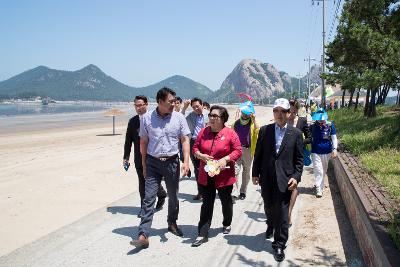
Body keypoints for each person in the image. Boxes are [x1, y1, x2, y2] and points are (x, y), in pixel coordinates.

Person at [130, 87, 191, 249]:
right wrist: (143, 164)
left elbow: (185, 139)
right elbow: (143, 142)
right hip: (152, 163)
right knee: (149, 198)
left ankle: (172, 222)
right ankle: (143, 234)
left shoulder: (179, 118)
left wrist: (186, 161)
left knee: (173, 196)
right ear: (160, 102)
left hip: (172, 162)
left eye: (174, 101)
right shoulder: (146, 118)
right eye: (170, 101)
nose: (173, 103)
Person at [252, 98, 304, 262]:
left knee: (282, 213)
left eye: (283, 111)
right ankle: (270, 224)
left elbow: (299, 160)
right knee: (269, 206)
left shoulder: (295, 134)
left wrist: (296, 177)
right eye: (276, 111)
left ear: (289, 113)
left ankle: (279, 244)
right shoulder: (265, 131)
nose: (279, 114)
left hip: (286, 179)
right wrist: (255, 173)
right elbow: (258, 154)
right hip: (266, 178)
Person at [191, 105, 242, 247]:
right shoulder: (203, 132)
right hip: (206, 174)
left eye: (215, 116)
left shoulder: (230, 133)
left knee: (226, 201)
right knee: (207, 203)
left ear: (222, 119)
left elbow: (238, 151)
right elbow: (195, 148)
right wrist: (200, 155)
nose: (212, 118)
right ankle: (202, 233)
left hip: (224, 175)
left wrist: (225, 159)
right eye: (210, 115)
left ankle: (227, 223)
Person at [123, 95, 167, 217]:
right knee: (142, 182)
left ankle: (161, 193)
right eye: (136, 105)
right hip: (139, 157)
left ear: (146, 104)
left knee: (152, 181)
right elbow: (128, 141)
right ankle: (144, 208)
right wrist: (126, 157)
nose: (138, 108)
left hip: (153, 157)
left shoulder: (154, 118)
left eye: (141, 105)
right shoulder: (132, 121)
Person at [287, 99, 311, 226]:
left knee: (294, 185)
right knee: (285, 185)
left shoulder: (302, 121)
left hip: (297, 158)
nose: (290, 113)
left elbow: (309, 138)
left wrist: (301, 142)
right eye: (288, 110)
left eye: (292, 110)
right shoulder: (283, 120)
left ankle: (289, 213)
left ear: (296, 110)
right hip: (284, 158)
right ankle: (285, 209)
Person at [232, 101, 259, 201]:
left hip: (248, 150)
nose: (244, 114)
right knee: (235, 170)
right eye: (243, 112)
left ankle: (243, 191)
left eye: (247, 112)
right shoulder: (236, 123)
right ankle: (234, 192)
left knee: (246, 172)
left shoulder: (252, 123)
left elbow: (258, 131)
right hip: (237, 150)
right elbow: (231, 134)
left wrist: (254, 119)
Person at [310, 108, 338, 197]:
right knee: (319, 170)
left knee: (324, 170)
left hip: (327, 151)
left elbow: (334, 137)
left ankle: (320, 185)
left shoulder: (330, 125)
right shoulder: (312, 126)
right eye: (319, 118)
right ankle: (319, 188)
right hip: (315, 151)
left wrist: (335, 149)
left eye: (322, 118)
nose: (321, 120)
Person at [185, 98, 209, 200]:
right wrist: (184, 108)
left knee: (208, 167)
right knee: (197, 168)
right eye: (193, 107)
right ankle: (200, 192)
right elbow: (180, 120)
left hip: (206, 142)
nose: (196, 108)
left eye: (197, 106)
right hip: (194, 142)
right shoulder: (191, 116)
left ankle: (208, 191)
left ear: (202, 104)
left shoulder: (209, 114)